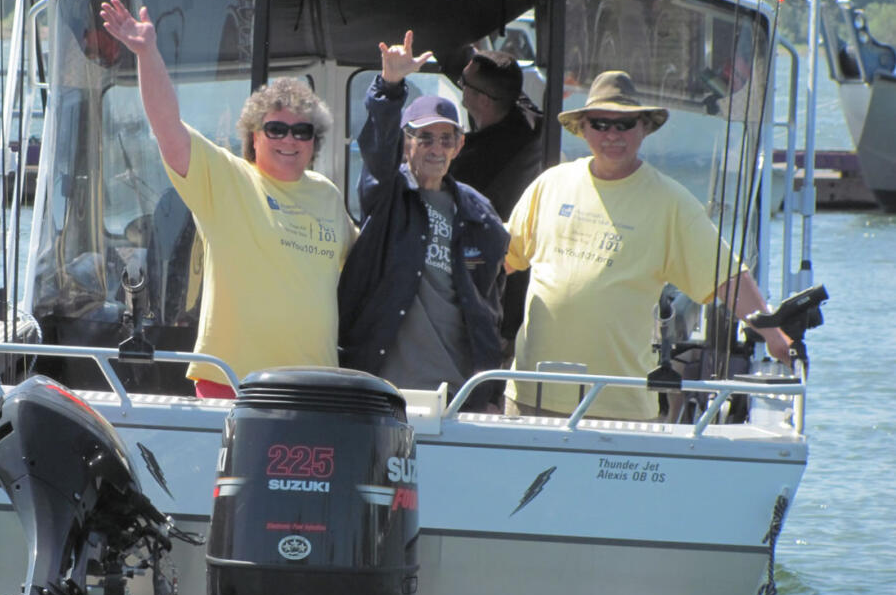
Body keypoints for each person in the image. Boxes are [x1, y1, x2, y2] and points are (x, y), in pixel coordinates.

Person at [101, 0, 356, 398]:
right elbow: (167, 126)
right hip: (232, 382)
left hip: (315, 386)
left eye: (302, 131)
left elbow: (367, 266)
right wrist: (147, 53)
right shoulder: (225, 178)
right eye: (276, 129)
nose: (289, 139)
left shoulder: (327, 195)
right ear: (254, 136)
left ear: (314, 141)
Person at [503, 70, 793, 421]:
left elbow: (726, 276)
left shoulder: (671, 202)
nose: (612, 134)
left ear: (644, 128)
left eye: (624, 124)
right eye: (600, 123)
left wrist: (775, 335)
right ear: (583, 128)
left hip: (617, 406)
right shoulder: (550, 184)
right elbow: (500, 258)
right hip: (530, 393)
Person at [339, 30, 510, 407]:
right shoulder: (386, 194)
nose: (436, 148)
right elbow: (377, 147)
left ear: (459, 145)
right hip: (381, 393)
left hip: (457, 398)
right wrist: (390, 85)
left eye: (446, 138)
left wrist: (492, 392)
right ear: (406, 142)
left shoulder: (480, 214)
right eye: (425, 137)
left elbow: (490, 308)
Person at [448, 50, 546, 355]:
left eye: (463, 82)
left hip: (501, 286)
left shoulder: (475, 160)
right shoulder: (529, 118)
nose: (459, 85)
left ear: (483, 101)